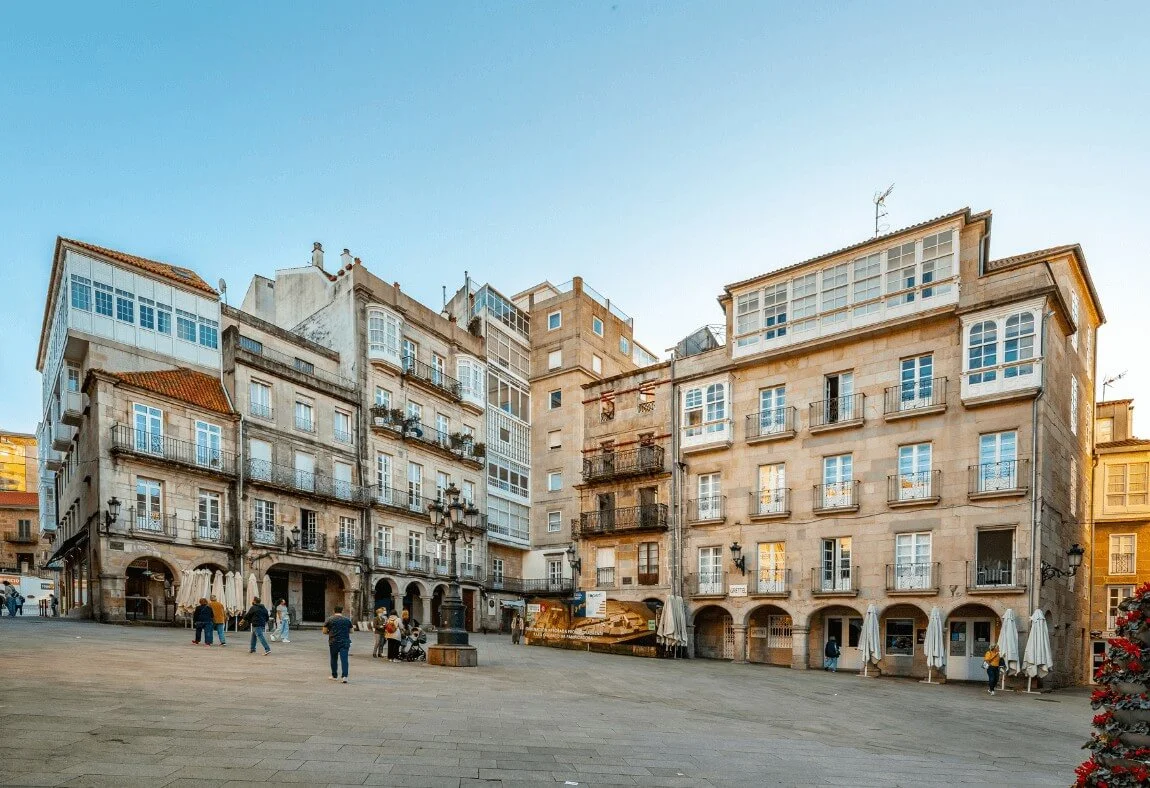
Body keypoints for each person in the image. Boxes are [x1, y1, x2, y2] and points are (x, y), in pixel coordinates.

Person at [323, 604, 354, 683]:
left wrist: (331, 632)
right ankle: (345, 676)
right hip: (345, 641)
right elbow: (351, 631)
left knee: (334, 658)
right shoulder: (347, 620)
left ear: (334, 611)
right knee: (344, 659)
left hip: (333, 641)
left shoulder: (329, 619)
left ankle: (334, 675)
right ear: (342, 611)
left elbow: (324, 631)